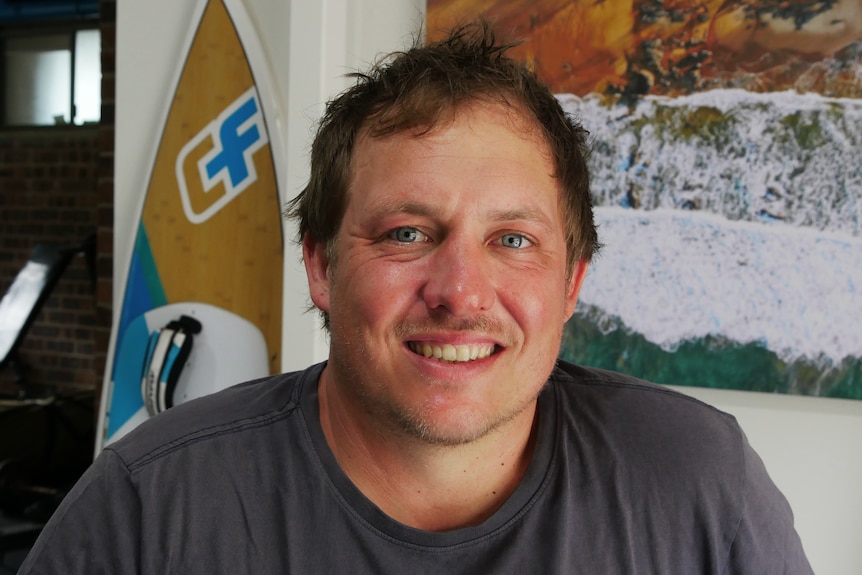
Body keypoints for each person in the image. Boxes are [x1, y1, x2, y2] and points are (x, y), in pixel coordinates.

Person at [20, 22, 812, 574]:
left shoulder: (701, 487)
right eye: (406, 233)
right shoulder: (148, 509)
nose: (460, 292)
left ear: (571, 284)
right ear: (321, 267)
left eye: (512, 239)